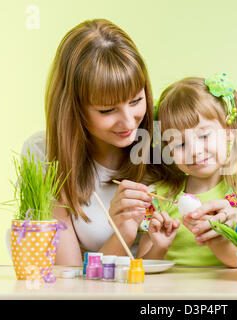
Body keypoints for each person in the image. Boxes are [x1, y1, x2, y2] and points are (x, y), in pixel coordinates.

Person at [21, 19, 177, 266]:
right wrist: (122, 234)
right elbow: (69, 278)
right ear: (74, 110)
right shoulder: (44, 154)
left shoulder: (168, 137)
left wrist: (236, 213)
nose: (128, 122)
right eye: (107, 110)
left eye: (136, 101)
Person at [137, 74, 237, 267]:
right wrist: (159, 247)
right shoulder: (159, 197)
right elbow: (142, 267)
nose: (194, 152)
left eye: (204, 135)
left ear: (229, 133)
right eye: (179, 144)